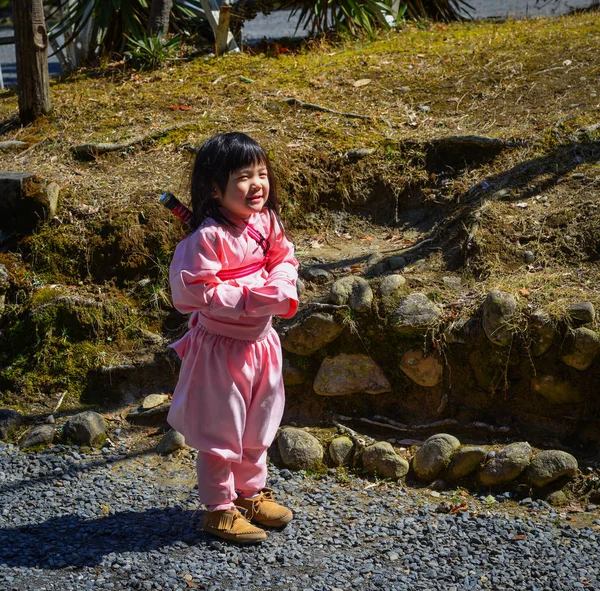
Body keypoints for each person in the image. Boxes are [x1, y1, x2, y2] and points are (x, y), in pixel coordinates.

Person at [167, 132, 299, 544]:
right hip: (221, 351)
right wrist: (257, 296)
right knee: (222, 431)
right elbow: (196, 294)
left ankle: (250, 494)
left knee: (258, 423)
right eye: (244, 176)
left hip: (261, 344)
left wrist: (280, 285)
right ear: (214, 188)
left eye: (262, 173)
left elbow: (284, 258)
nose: (257, 184)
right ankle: (219, 509)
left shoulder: (266, 223)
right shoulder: (206, 238)